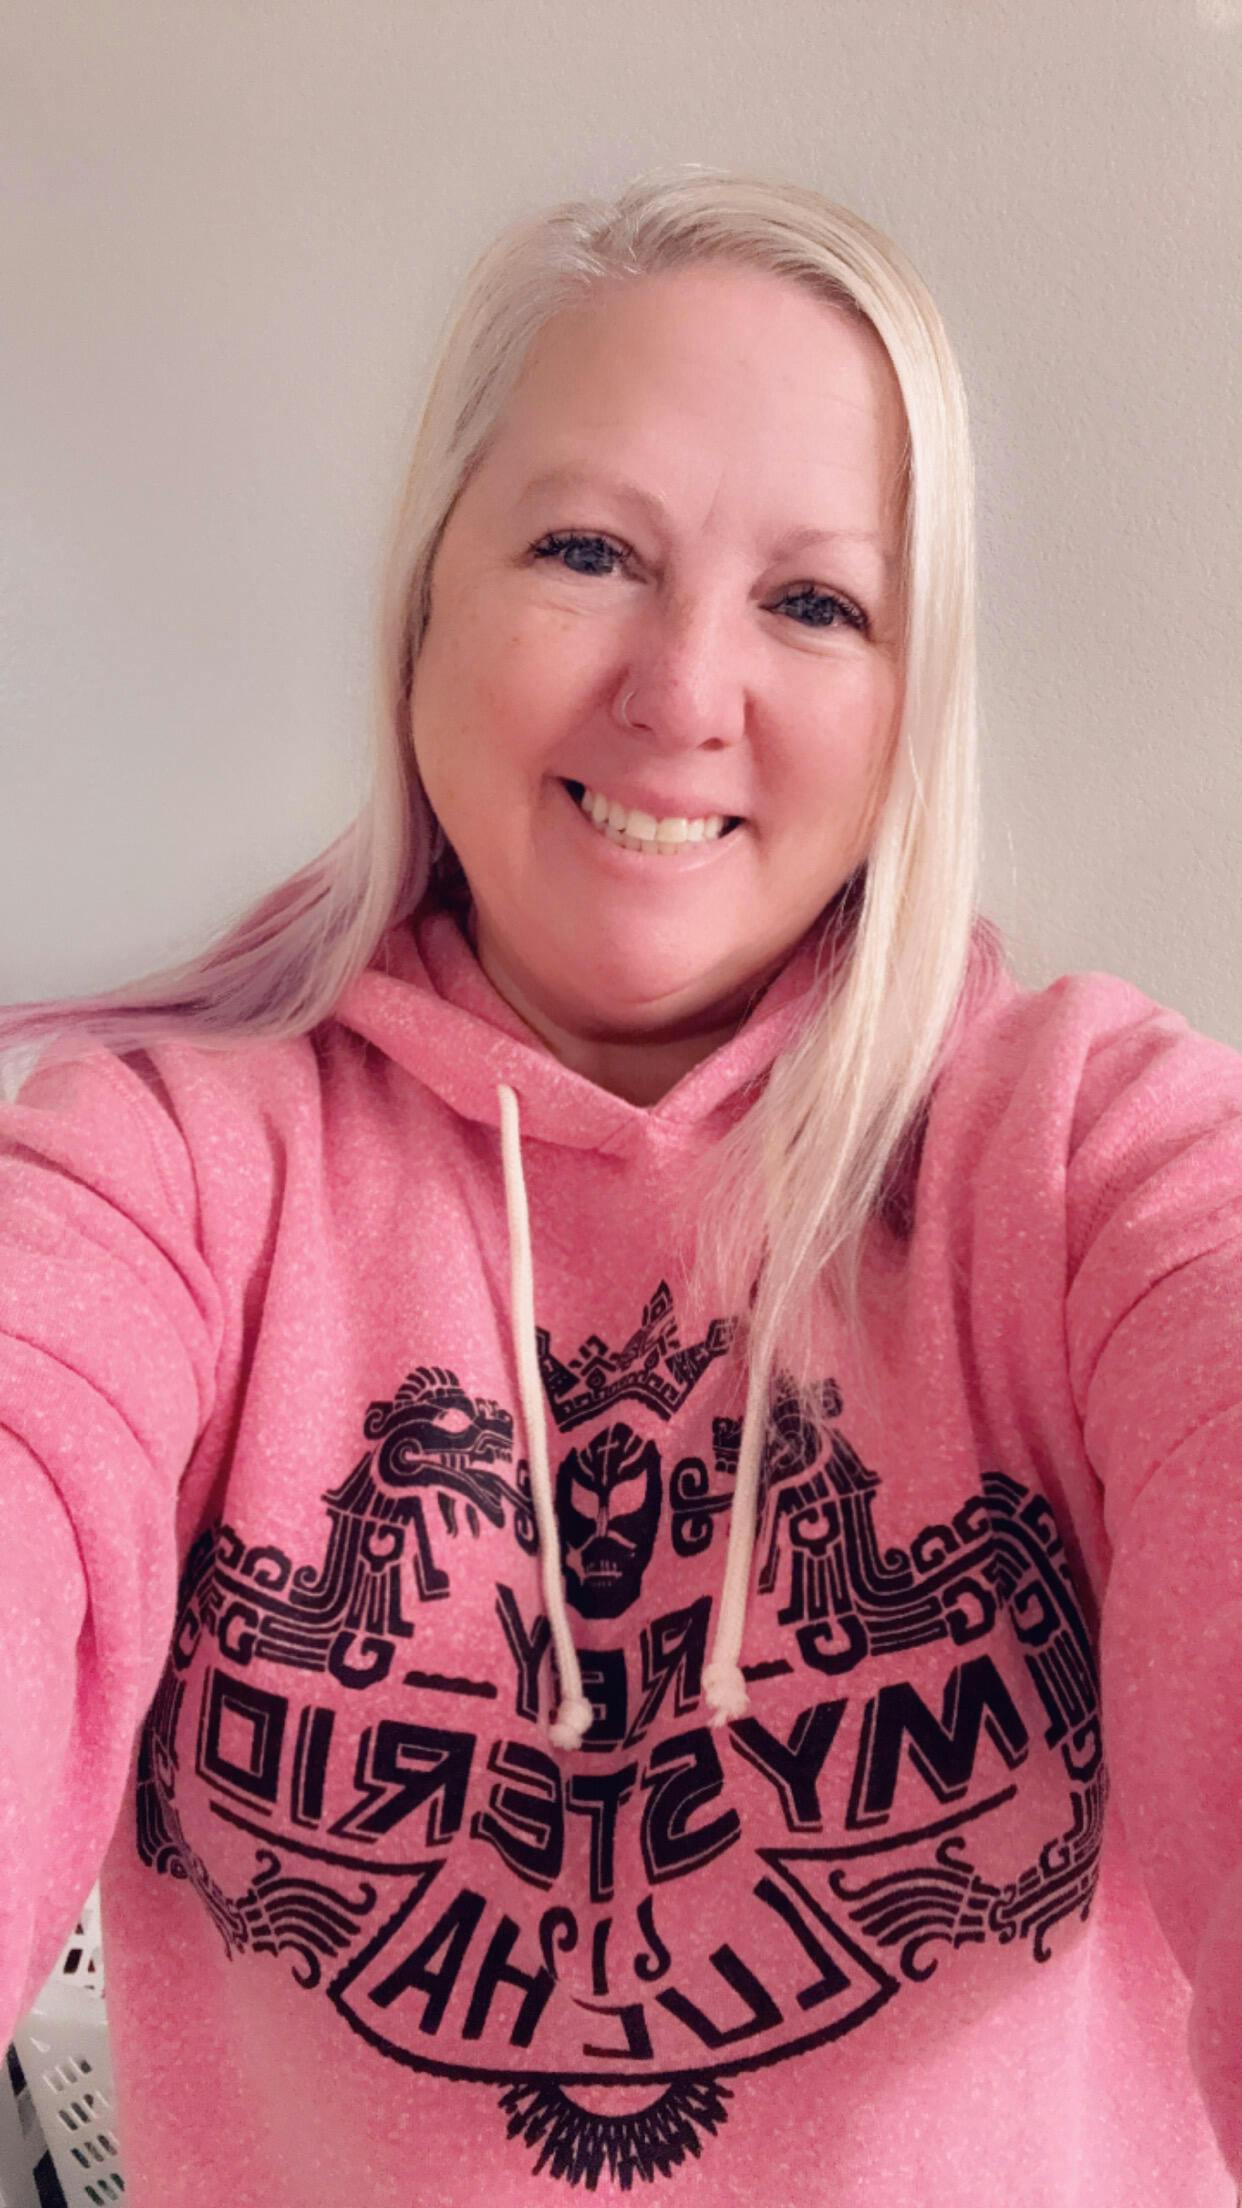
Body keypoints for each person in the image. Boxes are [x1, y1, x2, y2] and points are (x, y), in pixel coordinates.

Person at [1, 163, 1239, 2208]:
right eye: (588, 551)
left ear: (911, 703)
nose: (679, 695)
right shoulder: (159, 1177)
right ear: (424, 604)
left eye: (815, 603)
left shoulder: (1090, 1163)